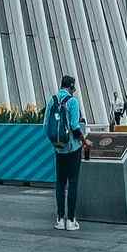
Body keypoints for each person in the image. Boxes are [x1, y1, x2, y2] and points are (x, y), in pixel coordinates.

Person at [45, 73, 87, 232]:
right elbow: (75, 127)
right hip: (73, 149)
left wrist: (56, 143)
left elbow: (45, 127)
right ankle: (71, 220)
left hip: (58, 149)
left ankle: (60, 219)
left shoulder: (52, 100)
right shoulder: (73, 102)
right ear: (71, 87)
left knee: (60, 183)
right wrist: (84, 141)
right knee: (73, 182)